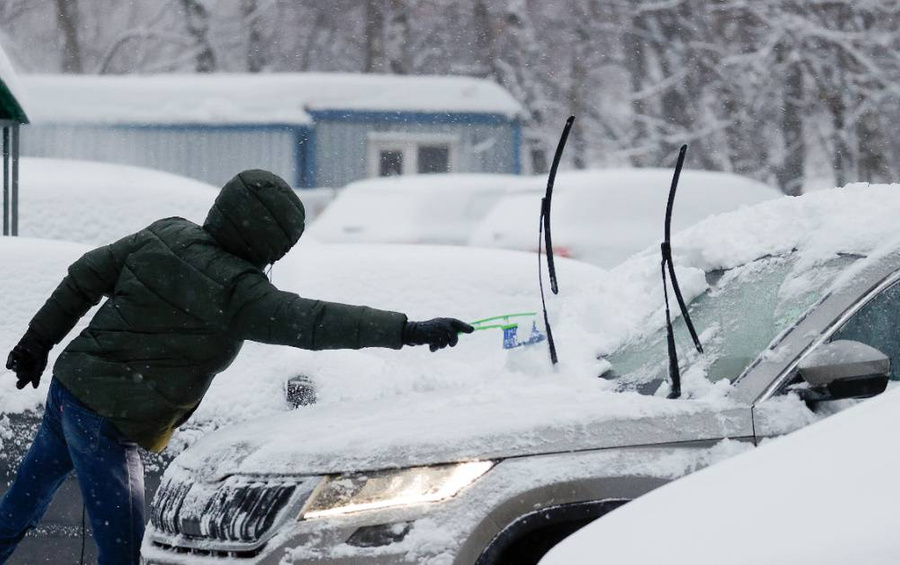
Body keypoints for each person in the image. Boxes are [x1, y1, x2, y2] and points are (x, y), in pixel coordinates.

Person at [0, 170, 473, 565]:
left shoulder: (166, 232)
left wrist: (36, 343)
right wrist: (407, 330)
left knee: (21, 505)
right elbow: (316, 322)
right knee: (123, 551)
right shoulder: (238, 292)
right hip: (108, 419)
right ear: (271, 242)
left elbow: (85, 274)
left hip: (70, 390)